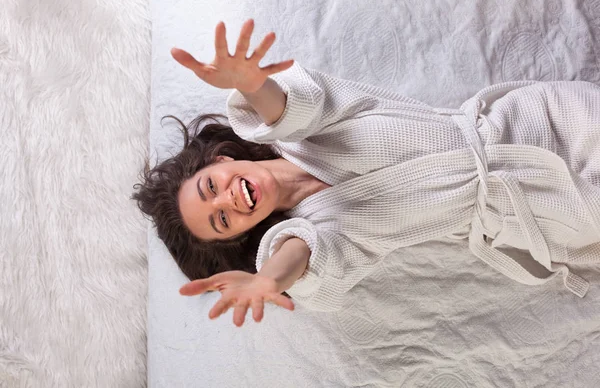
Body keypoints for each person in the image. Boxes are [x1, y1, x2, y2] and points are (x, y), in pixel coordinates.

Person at [133, 19, 600, 327]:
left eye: (210, 188)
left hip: (531, 120)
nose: (227, 201)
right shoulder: (315, 230)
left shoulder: (307, 129)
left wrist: (254, 84)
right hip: (534, 213)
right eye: (221, 220)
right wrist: (269, 281)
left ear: (221, 159)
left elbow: (294, 106)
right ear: (241, 233)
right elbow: (307, 256)